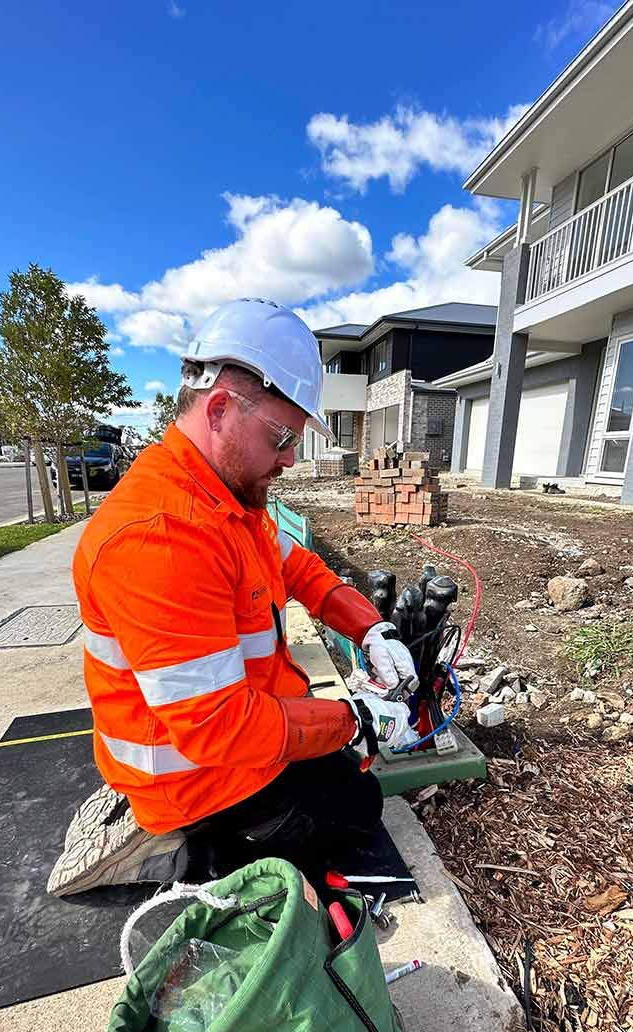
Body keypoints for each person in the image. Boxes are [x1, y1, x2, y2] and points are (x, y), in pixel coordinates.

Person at [48, 298, 417, 896]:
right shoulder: (160, 537)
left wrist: (370, 628)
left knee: (349, 781)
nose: (290, 458)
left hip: (237, 739)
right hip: (193, 779)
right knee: (355, 802)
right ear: (219, 409)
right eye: (281, 437)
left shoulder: (229, 502)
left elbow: (300, 568)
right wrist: (357, 719)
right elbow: (218, 730)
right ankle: (167, 845)